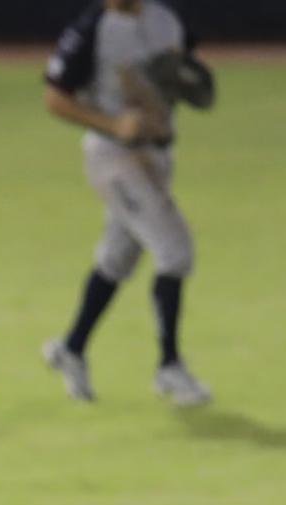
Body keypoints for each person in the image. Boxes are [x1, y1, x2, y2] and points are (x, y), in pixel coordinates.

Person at [39, 0, 217, 408]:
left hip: (154, 158)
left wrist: (180, 95)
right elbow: (55, 98)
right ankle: (169, 368)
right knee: (175, 252)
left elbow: (180, 73)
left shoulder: (166, 20)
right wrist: (113, 124)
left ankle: (72, 348)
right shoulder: (90, 30)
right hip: (112, 158)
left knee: (116, 260)